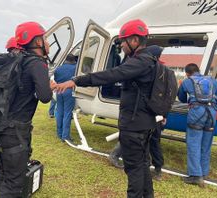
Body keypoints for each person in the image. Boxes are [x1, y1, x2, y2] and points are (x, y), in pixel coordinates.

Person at [56, 19, 157, 198]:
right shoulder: (151, 61)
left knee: (133, 168)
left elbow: (111, 74)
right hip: (145, 123)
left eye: (122, 42)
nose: (121, 47)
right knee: (142, 165)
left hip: (134, 126)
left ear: (134, 41)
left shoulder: (140, 62)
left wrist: (77, 80)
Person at [0, 22, 53, 197]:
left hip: (1, 125)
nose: (48, 42)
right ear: (37, 41)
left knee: (6, 176)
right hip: (16, 130)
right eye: (45, 38)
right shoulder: (37, 64)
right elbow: (45, 97)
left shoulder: (17, 61)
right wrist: (47, 86)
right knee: (13, 184)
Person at [178, 63, 217, 187]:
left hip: (197, 114)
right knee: (206, 145)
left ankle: (195, 176)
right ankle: (203, 172)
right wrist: (213, 108)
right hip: (211, 114)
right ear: (199, 70)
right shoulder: (213, 81)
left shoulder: (187, 81)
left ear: (187, 73)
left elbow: (181, 98)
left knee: (193, 143)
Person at [0, 36, 22, 194]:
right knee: (8, 154)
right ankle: (1, 184)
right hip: (8, 119)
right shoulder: (16, 69)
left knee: (1, 152)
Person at [147, 45, 165, 180]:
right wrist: (165, 114)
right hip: (158, 113)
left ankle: (154, 168)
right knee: (154, 141)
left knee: (148, 141)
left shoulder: (150, 69)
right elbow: (171, 95)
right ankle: (156, 169)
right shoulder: (166, 71)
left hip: (149, 112)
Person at [54, 54, 77, 141]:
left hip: (59, 90)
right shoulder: (75, 68)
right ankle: (65, 136)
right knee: (67, 113)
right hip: (69, 91)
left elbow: (56, 79)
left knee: (59, 112)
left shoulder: (59, 68)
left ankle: (59, 134)